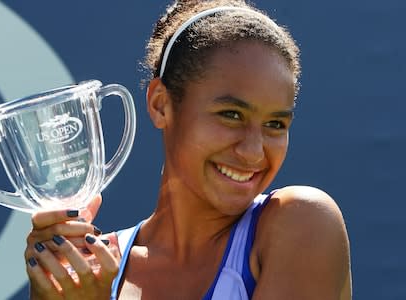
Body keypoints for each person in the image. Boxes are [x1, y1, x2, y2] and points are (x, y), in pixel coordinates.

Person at [24, 0, 352, 299]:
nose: (253, 153)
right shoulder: (87, 269)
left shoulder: (305, 222)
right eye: (231, 115)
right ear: (160, 104)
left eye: (275, 124)